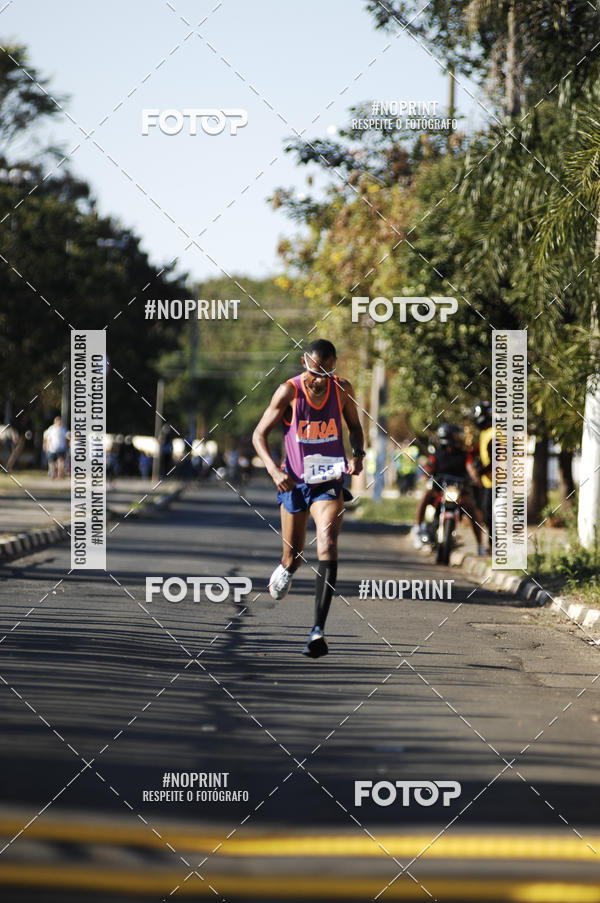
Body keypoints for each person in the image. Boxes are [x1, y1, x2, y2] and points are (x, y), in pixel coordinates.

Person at [252, 339, 365, 658]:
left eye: (328, 372)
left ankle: (318, 631)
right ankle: (286, 568)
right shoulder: (288, 391)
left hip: (329, 481)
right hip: (295, 483)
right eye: (316, 372)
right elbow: (259, 434)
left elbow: (355, 427)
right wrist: (275, 471)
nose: (321, 379)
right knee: (295, 556)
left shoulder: (342, 390)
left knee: (328, 543)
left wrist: (358, 454)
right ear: (305, 363)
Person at [413, 422, 487, 556]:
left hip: (458, 493)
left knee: (472, 510)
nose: (459, 437)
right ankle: (418, 529)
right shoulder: (437, 454)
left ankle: (480, 545)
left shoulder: (464, 454)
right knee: (425, 496)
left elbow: (470, 468)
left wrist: (475, 478)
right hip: (439, 492)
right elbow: (429, 467)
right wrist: (425, 475)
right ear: (448, 436)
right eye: (456, 435)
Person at [471, 401, 494, 548]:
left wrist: (479, 472)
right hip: (490, 482)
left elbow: (495, 460)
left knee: (491, 515)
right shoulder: (485, 433)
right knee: (487, 514)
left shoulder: (494, 433)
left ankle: (494, 545)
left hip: (499, 482)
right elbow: (476, 451)